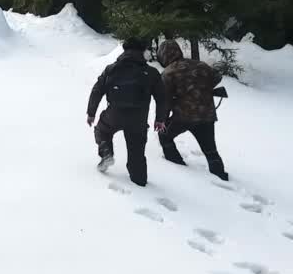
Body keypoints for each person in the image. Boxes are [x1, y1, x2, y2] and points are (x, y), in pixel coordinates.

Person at [86, 38, 169, 187]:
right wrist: (160, 119)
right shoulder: (151, 72)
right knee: (136, 151)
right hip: (138, 119)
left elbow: (97, 90)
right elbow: (162, 98)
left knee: (102, 130)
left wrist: (91, 113)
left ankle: (106, 152)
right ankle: (140, 181)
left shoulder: (111, 69)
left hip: (114, 115)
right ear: (142, 52)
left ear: (124, 51)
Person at [155, 40, 229, 181]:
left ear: (164, 56)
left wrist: (162, 120)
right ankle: (221, 177)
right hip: (207, 115)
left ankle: (178, 167)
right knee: (210, 150)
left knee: (164, 136)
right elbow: (217, 77)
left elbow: (166, 101)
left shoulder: (168, 73)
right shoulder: (200, 65)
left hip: (183, 117)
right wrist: (201, 87)